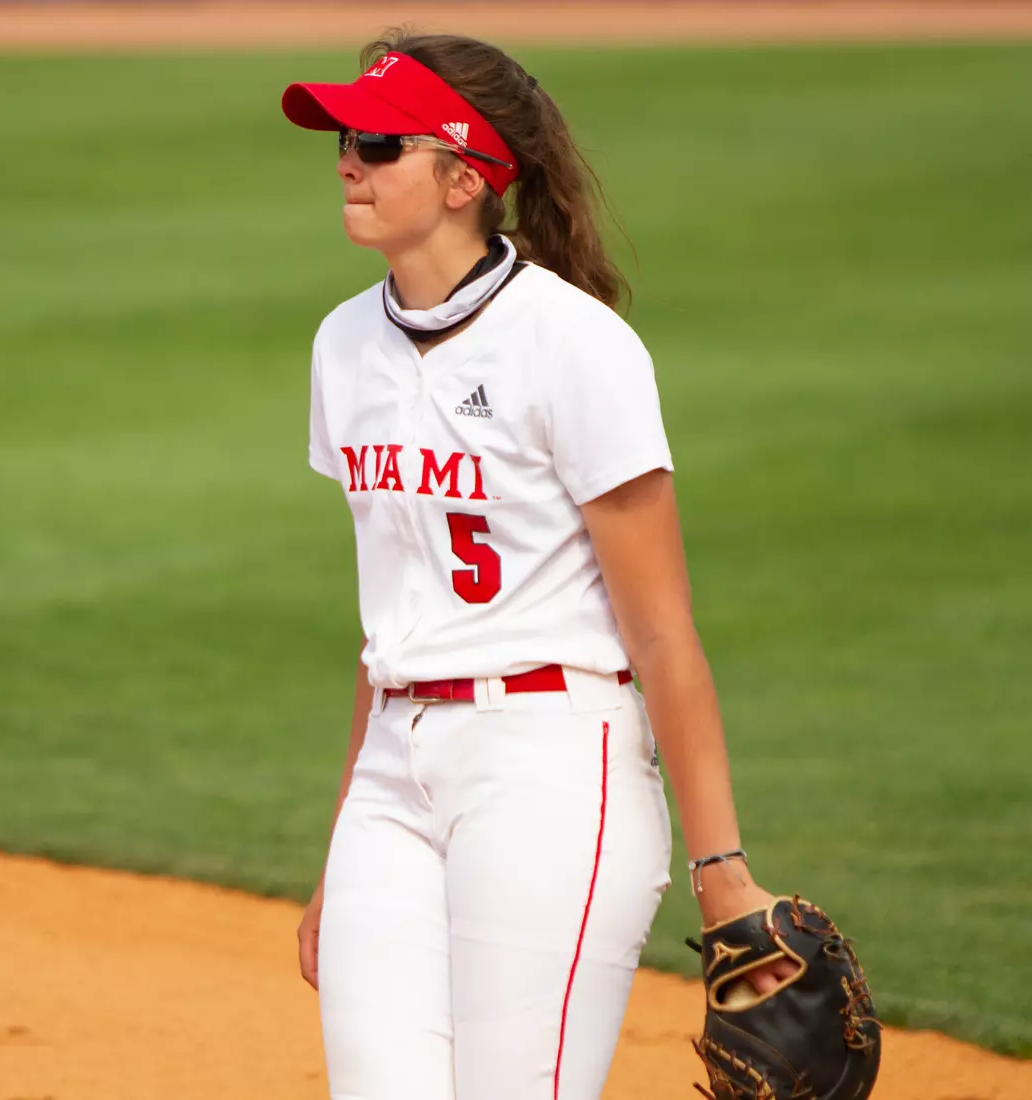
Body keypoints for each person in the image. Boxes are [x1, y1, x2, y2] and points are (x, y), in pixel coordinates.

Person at [282, 32, 796, 1100]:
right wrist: (342, 845)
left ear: (465, 176)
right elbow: (391, 620)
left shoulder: (573, 344)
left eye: (378, 143)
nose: (347, 163)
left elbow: (661, 631)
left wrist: (722, 873)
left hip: (549, 767)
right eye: (343, 139)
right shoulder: (343, 345)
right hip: (392, 776)